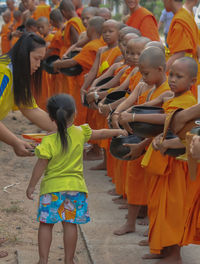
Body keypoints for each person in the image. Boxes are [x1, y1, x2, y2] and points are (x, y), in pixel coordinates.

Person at [26, 93, 127, 264]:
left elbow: (40, 166)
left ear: (51, 117)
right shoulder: (80, 132)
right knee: (70, 224)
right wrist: (118, 131)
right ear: (74, 114)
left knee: (46, 224)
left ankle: (43, 260)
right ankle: (69, 260)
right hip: (75, 188)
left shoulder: (48, 141)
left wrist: (31, 186)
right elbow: (100, 133)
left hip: (52, 189)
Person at [0, 32, 57, 258]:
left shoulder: (17, 75)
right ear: (24, 55)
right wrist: (15, 141)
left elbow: (31, 109)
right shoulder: (4, 73)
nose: (39, 65)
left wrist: (65, 129)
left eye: (42, 60)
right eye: (36, 59)